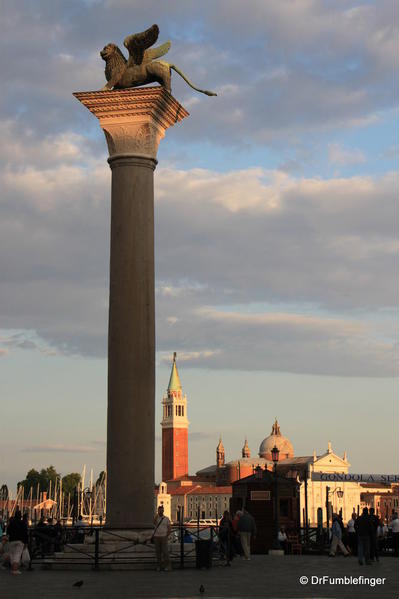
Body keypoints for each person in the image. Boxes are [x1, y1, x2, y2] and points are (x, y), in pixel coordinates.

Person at [6, 511, 28, 575]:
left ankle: (13, 568)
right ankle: (15, 570)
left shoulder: (11, 523)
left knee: (12, 555)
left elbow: (8, 532)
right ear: (20, 516)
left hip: (11, 540)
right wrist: (26, 542)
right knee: (17, 555)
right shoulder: (22, 523)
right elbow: (25, 533)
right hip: (20, 541)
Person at [153, 505, 171, 571]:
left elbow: (169, 528)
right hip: (156, 537)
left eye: (162, 510)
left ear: (163, 511)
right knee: (158, 553)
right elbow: (153, 523)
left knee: (165, 552)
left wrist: (166, 536)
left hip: (163, 537)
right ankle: (159, 566)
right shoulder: (156, 518)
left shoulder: (166, 519)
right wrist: (156, 515)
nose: (161, 511)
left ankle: (168, 566)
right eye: (159, 510)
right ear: (158, 511)